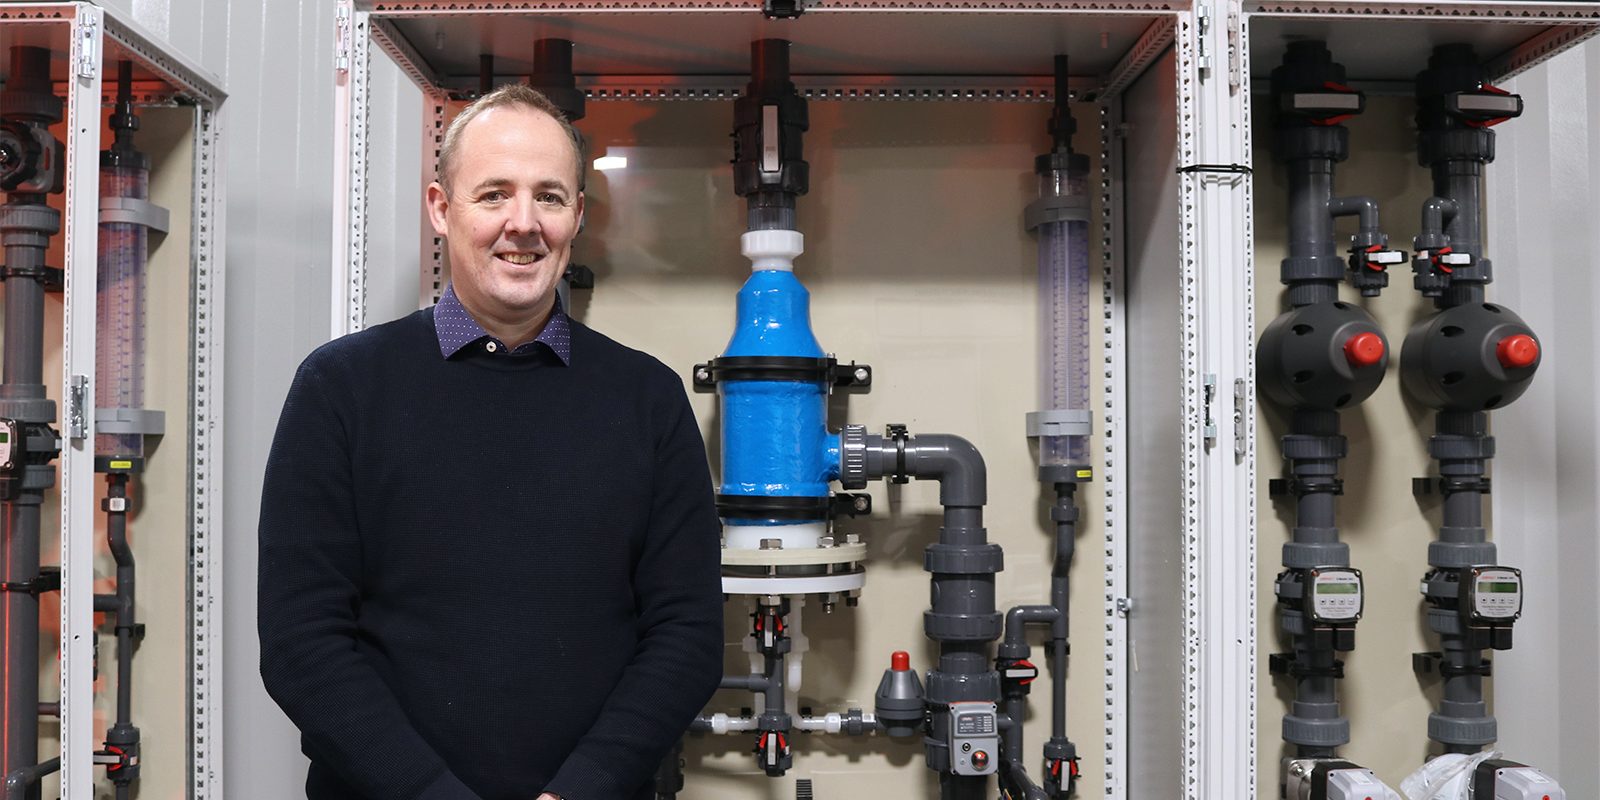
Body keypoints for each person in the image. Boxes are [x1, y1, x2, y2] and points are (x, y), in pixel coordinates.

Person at [258, 84, 724, 800]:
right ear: (442, 209)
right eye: (494, 195)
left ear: (577, 216)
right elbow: (302, 645)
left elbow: (687, 637)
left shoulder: (647, 400)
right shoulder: (341, 389)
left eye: (549, 196)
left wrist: (584, 788)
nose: (523, 223)